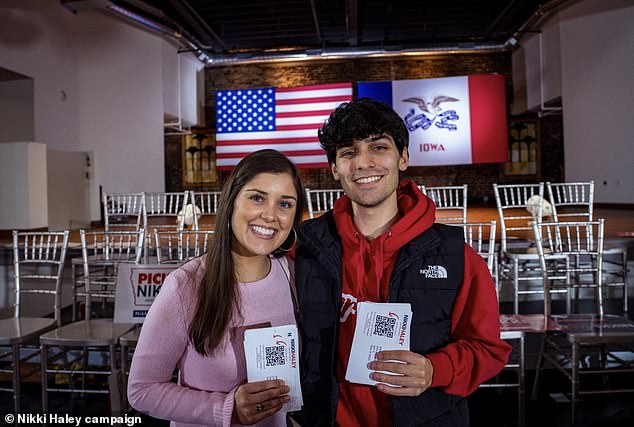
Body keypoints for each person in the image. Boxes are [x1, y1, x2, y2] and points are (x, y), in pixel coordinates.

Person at [294, 98, 511, 426]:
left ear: (403, 157)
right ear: (335, 168)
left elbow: (489, 350)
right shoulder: (305, 248)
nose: (364, 163)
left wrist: (435, 369)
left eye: (378, 148)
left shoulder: (456, 256)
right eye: (349, 153)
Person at [128, 149, 305, 427]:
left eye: (285, 204)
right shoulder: (185, 285)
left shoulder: (293, 276)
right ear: (232, 202)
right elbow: (142, 390)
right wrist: (226, 409)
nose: (271, 215)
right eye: (257, 197)